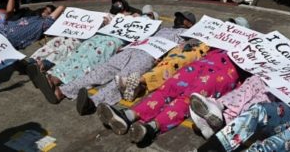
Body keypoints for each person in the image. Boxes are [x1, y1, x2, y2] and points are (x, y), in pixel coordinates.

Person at [62, 11, 199, 115]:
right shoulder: (163, 28)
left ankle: (92, 103)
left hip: (150, 55)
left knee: (121, 78)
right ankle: (65, 90)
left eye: (183, 18)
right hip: (134, 48)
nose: (178, 18)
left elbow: (181, 52)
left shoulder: (187, 35)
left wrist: (163, 60)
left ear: (189, 23)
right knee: (103, 70)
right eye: (178, 16)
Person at [96, 48, 243, 144]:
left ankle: (151, 128)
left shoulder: (250, 54)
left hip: (224, 74)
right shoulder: (218, 45)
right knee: (167, 89)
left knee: (185, 100)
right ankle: (127, 116)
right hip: (200, 65)